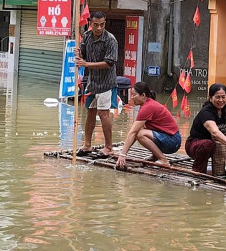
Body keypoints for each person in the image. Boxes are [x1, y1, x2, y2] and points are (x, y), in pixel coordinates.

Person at [74, 11, 119, 156]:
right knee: (90, 112)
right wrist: (79, 55)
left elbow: (109, 63)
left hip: (106, 83)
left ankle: (108, 147)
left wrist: (86, 64)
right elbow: (84, 56)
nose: (99, 28)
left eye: (102, 24)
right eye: (96, 25)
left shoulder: (110, 40)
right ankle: (87, 144)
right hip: (92, 83)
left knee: (103, 113)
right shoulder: (86, 36)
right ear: (90, 24)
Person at [115, 82, 181, 169]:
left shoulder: (148, 107)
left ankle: (163, 160)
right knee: (140, 131)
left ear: (143, 95)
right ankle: (155, 156)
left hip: (172, 141)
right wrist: (124, 153)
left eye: (134, 95)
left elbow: (133, 132)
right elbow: (133, 134)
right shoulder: (147, 105)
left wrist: (123, 154)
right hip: (171, 139)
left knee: (141, 134)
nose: (132, 97)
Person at [185, 83, 226, 174]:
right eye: (217, 97)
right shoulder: (206, 112)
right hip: (195, 144)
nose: (221, 100)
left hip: (215, 145)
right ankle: (198, 170)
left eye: (223, 97)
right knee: (208, 144)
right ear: (210, 98)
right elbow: (215, 132)